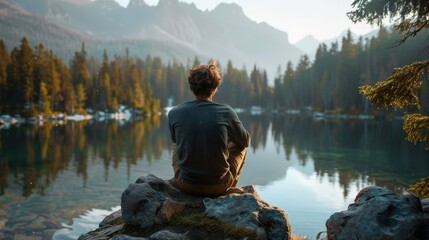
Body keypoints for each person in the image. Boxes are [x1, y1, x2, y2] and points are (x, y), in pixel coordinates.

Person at [168, 61, 251, 197]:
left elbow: (178, 143)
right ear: (215, 88)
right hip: (218, 186)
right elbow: (246, 141)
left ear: (191, 87)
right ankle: (229, 186)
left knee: (176, 145)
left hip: (186, 185)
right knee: (240, 145)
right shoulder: (226, 112)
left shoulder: (174, 113)